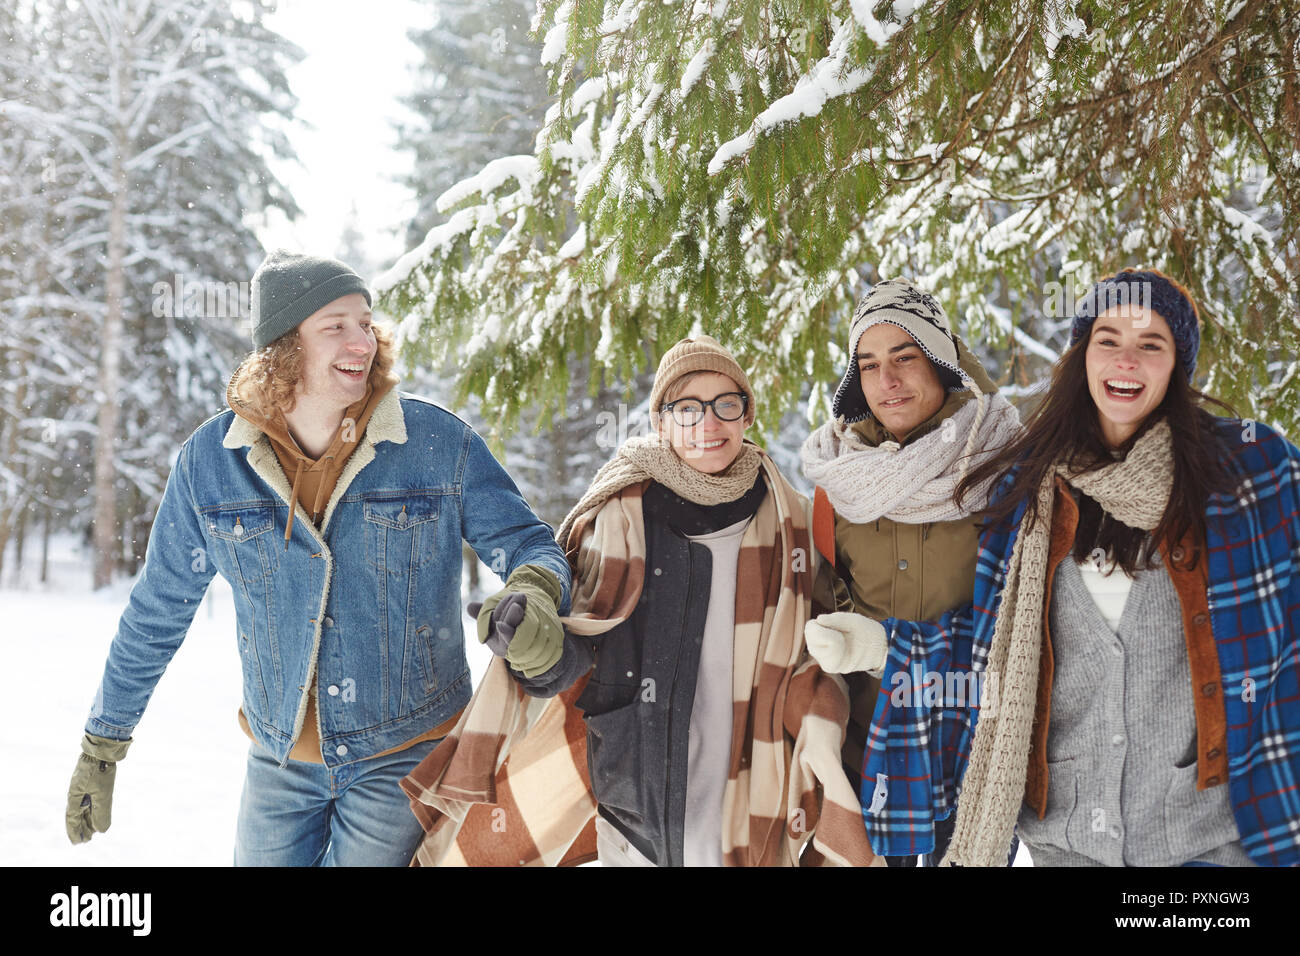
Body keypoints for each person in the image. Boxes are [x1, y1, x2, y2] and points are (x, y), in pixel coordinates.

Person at [65, 250, 571, 866]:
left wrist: (535, 591)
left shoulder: (438, 444)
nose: (363, 341)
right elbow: (157, 610)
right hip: (278, 759)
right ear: (284, 347)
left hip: (406, 754)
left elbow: (530, 544)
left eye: (366, 323)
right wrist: (104, 741)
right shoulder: (212, 462)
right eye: (336, 326)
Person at [804, 267, 1300, 866]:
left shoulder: (1250, 475)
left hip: (1207, 841)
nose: (1126, 360)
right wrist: (879, 647)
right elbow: (988, 640)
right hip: (1069, 842)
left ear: (1178, 364)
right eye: (1108, 340)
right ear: (1082, 356)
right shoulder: (1034, 485)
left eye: (1150, 343)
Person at [401, 335, 877, 867]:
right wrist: (535, 647)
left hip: (757, 779)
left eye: (726, 403)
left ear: (747, 414)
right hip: (639, 795)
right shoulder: (619, 517)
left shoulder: (793, 521)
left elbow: (823, 643)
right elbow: (580, 651)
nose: (708, 422)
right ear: (661, 421)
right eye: (687, 408)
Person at [799, 277, 1021, 865]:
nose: (887, 381)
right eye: (869, 365)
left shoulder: (1001, 468)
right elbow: (822, 602)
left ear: (941, 361)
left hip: (975, 750)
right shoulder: (840, 481)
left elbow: (1023, 620)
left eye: (905, 357)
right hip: (869, 751)